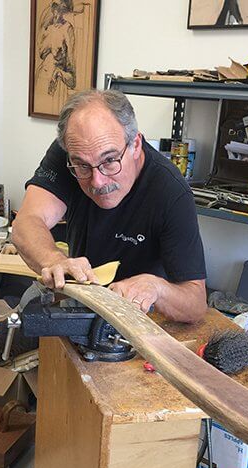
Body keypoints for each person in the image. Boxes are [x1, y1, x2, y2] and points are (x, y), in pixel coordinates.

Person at [12, 89, 207, 324]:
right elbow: (27, 222)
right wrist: (54, 261)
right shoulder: (72, 150)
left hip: (141, 317)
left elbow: (196, 303)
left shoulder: (170, 191)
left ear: (135, 144)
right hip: (82, 299)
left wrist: (158, 288)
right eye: (82, 166)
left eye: (109, 161)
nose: (98, 181)